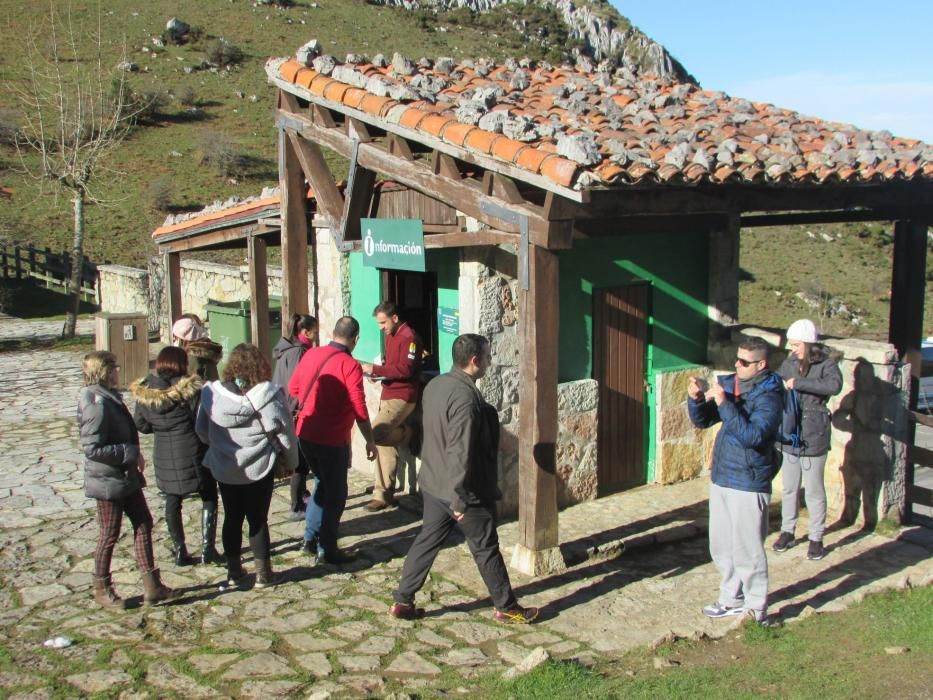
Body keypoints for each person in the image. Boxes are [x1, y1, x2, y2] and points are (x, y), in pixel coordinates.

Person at [389, 333, 539, 624]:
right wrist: (459, 498)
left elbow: (429, 431)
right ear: (475, 361)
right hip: (461, 491)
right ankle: (506, 606)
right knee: (485, 547)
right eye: (487, 357)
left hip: (433, 483)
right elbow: (461, 451)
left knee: (427, 540)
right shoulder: (466, 400)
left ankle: (402, 600)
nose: (489, 361)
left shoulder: (435, 385)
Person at [687, 336, 783, 626]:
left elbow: (753, 436)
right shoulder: (733, 385)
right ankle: (731, 599)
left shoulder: (770, 396)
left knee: (748, 549)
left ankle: (756, 609)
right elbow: (704, 421)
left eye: (743, 362)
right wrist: (696, 399)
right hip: (723, 476)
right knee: (722, 546)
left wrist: (724, 403)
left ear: (761, 364)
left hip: (749, 480)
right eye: (736, 359)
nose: (737, 365)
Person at [78, 351, 176, 609]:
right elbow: (93, 448)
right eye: (114, 368)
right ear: (105, 371)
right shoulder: (95, 402)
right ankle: (102, 587)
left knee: (143, 522)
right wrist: (129, 453)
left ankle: (152, 586)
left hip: (125, 475)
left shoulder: (108, 396)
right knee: (109, 533)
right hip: (108, 479)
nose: (118, 372)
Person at [196, 343, 298, 588]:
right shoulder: (270, 396)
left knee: (232, 517)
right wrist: (291, 462)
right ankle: (264, 574)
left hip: (225, 467)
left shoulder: (212, 394)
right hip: (259, 467)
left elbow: (201, 429)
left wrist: (221, 446)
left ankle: (234, 572)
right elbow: (286, 434)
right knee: (258, 519)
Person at [289, 316, 377, 564]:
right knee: (336, 494)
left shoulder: (311, 355)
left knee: (321, 485)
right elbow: (359, 406)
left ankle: (310, 539)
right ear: (356, 338)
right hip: (332, 438)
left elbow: (293, 389)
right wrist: (369, 439)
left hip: (305, 433)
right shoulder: (349, 365)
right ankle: (327, 549)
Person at [131, 346, 222, 567]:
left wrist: (162, 428)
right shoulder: (190, 390)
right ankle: (208, 548)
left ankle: (180, 550)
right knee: (208, 494)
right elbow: (202, 419)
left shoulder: (146, 393)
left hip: (163, 452)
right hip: (193, 450)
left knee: (172, 500)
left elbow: (141, 424)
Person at [772, 319, 843, 561]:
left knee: (814, 489)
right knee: (790, 487)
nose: (793, 349)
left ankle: (816, 537)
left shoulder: (826, 364)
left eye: (796, 344)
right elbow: (778, 380)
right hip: (791, 432)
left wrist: (799, 384)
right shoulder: (790, 362)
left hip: (814, 434)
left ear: (807, 343)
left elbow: (834, 386)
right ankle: (787, 531)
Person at [360, 301, 424, 511]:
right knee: (382, 443)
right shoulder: (391, 336)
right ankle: (384, 492)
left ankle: (409, 433)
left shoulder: (410, 338)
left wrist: (377, 369)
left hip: (403, 396)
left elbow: (406, 369)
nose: (381, 327)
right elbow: (391, 367)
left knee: (376, 433)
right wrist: (377, 374)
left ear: (395, 318)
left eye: (383, 322)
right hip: (388, 392)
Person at [272, 313, 320, 520]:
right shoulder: (299, 352)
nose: (317, 336)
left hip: (287, 408)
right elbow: (296, 386)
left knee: (300, 461)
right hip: (294, 412)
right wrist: (295, 412)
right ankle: (296, 506)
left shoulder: (288, 349)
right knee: (301, 464)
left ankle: (301, 496)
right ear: (305, 332)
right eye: (314, 332)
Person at [172, 313, 223, 382]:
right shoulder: (204, 351)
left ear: (182, 339)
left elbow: (189, 388)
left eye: (175, 336)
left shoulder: (193, 358)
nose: (174, 339)